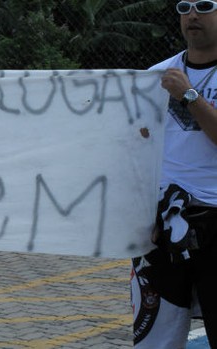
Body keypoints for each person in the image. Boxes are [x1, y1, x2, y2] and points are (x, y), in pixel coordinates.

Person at [130, 0, 217, 348]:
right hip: (163, 225)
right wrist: (142, 209)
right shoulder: (156, 75)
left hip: (215, 220)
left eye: (205, 5)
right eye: (184, 6)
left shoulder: (175, 84)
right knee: (155, 340)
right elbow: (135, 151)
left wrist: (190, 96)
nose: (192, 15)